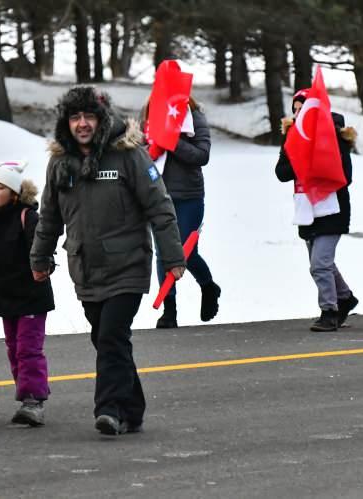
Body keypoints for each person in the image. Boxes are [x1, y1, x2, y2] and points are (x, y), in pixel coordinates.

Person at [30, 86, 186, 436]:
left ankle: (109, 410)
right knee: (105, 339)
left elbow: (160, 208)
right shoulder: (59, 163)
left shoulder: (128, 155)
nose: (82, 124)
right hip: (85, 268)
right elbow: (50, 217)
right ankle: (134, 408)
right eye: (75, 117)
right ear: (66, 122)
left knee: (113, 336)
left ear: (103, 119)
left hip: (128, 265)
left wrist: (173, 256)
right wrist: (40, 258)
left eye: (89, 117)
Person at [0, 161, 54, 426]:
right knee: (14, 349)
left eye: (0, 186)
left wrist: (44, 266)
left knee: (28, 350)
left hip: (31, 295)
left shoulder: (27, 217)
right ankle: (29, 394)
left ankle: (33, 400)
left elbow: (43, 248)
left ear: (15, 193)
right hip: (6, 297)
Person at [274, 89, 359, 332]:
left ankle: (329, 311)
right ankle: (345, 297)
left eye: (304, 109)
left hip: (332, 209)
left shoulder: (334, 135)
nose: (299, 114)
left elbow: (346, 177)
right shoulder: (292, 137)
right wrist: (298, 157)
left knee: (319, 264)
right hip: (306, 208)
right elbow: (281, 173)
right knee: (322, 262)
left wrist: (319, 160)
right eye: (296, 109)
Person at [142, 95, 221, 329]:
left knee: (186, 252)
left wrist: (172, 140)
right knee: (163, 253)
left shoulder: (195, 117)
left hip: (189, 197)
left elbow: (202, 155)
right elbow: (137, 154)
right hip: (158, 196)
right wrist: (153, 148)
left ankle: (208, 287)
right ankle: (170, 309)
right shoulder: (149, 116)